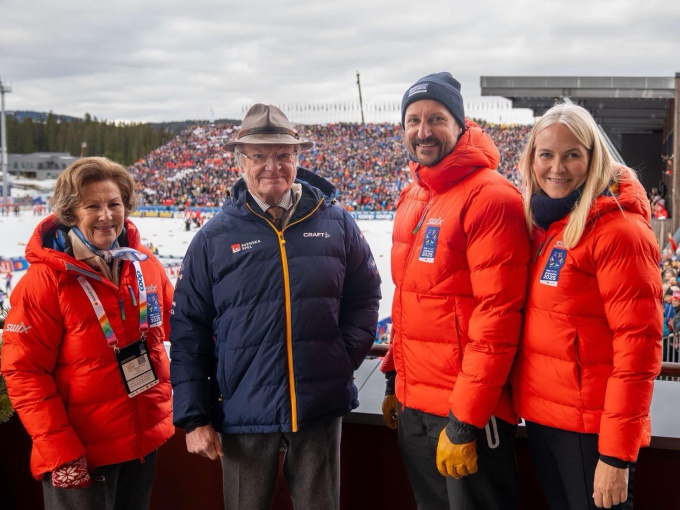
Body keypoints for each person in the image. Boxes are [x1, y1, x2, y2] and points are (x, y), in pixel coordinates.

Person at [170, 103, 381, 510]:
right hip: (242, 411)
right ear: (240, 161)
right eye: (260, 155)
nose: (273, 166)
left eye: (283, 154)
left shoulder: (335, 222)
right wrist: (194, 416)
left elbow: (366, 295)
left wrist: (341, 357)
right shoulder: (213, 237)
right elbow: (188, 330)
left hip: (318, 407)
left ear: (297, 159)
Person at [380, 72, 530, 509]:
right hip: (415, 406)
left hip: (465, 413)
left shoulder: (491, 198)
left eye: (436, 119)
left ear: (460, 125)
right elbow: (409, 300)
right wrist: (394, 377)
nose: (422, 131)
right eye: (412, 120)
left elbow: (497, 319)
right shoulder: (414, 196)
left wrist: (465, 422)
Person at [511, 103, 662, 510]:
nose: (556, 167)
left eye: (572, 154)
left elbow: (639, 350)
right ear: (532, 160)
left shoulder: (620, 232)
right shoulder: (549, 225)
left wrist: (615, 455)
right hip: (547, 420)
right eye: (546, 154)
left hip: (592, 431)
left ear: (593, 159)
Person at [0, 157, 174, 510]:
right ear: (70, 213)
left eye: (114, 204)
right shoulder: (45, 282)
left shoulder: (145, 266)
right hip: (81, 453)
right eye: (92, 206)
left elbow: (183, 325)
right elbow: (23, 371)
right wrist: (61, 452)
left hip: (140, 445)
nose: (107, 216)